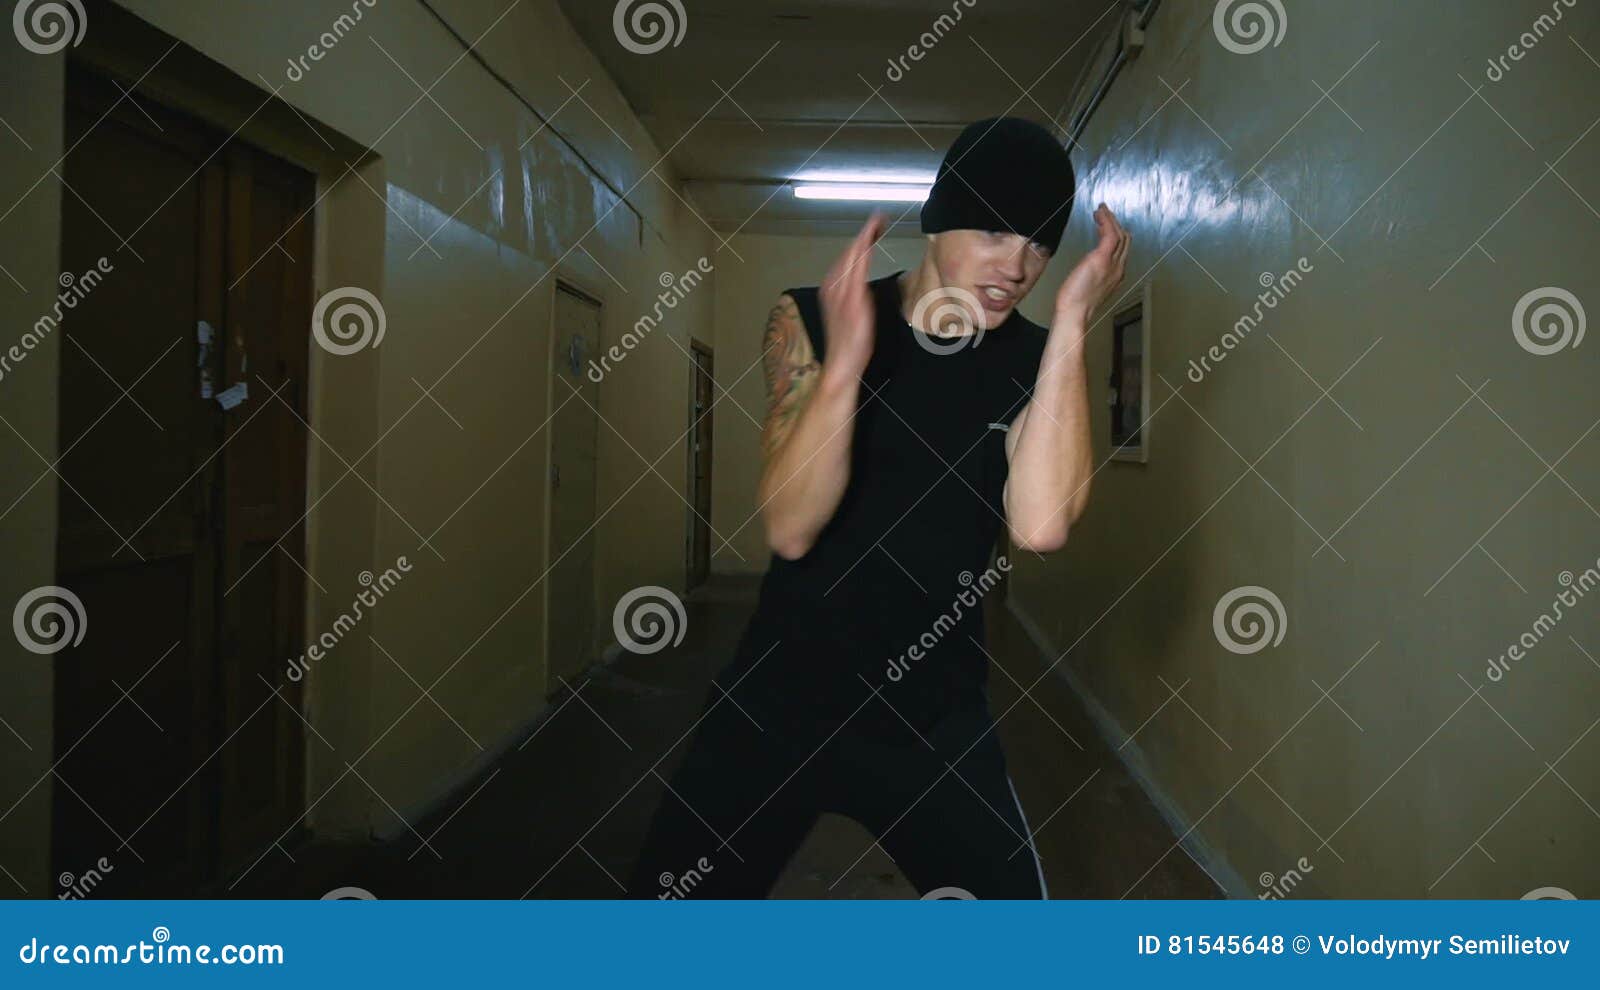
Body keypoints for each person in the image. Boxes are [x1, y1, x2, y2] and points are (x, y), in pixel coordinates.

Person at [626, 116, 1129, 899]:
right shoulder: (811, 319)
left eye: (1039, 243)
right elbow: (791, 529)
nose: (1018, 265)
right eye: (995, 232)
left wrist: (1071, 325)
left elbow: (1041, 524)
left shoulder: (1036, 359)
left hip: (934, 713)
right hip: (779, 700)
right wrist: (844, 372)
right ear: (938, 220)